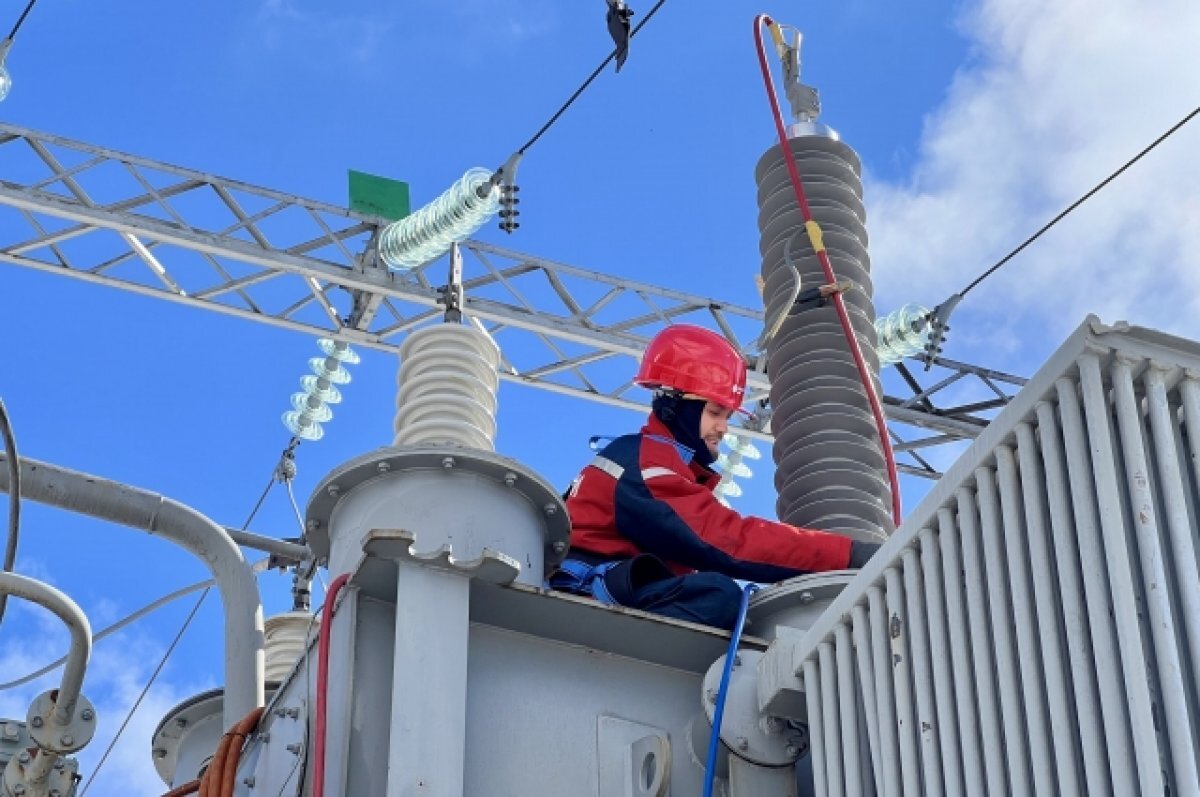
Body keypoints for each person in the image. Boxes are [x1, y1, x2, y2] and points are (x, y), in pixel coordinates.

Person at [552, 324, 882, 630]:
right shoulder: (644, 462)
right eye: (714, 413)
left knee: (729, 606)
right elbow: (727, 540)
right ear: (674, 407)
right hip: (586, 599)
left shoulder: (655, 463)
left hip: (613, 588)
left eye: (727, 416)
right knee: (717, 597)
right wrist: (847, 554)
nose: (723, 428)